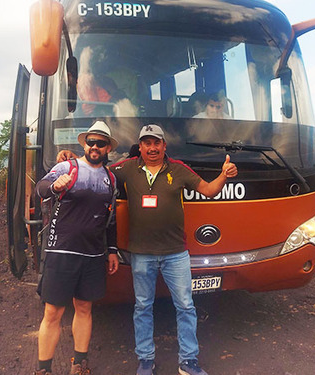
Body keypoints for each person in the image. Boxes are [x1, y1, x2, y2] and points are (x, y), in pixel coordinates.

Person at [110, 124, 238, 375]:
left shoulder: (178, 169)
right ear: (141, 147)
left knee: (186, 307)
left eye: (157, 142)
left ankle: (188, 361)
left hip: (175, 254)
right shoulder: (127, 168)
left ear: (164, 146)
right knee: (143, 307)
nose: (152, 148)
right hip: (142, 254)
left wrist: (224, 175)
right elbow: (97, 172)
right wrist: (72, 161)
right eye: (147, 143)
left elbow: (210, 191)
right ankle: (146, 360)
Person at [33, 120, 120, 375]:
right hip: (61, 251)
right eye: (90, 142)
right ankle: (43, 369)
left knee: (84, 308)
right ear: (85, 144)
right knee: (53, 311)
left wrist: (112, 250)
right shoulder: (66, 166)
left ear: (107, 148)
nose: (94, 146)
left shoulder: (110, 178)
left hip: (93, 255)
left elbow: (110, 219)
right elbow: (40, 189)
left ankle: (79, 364)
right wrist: (55, 186)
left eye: (100, 143)